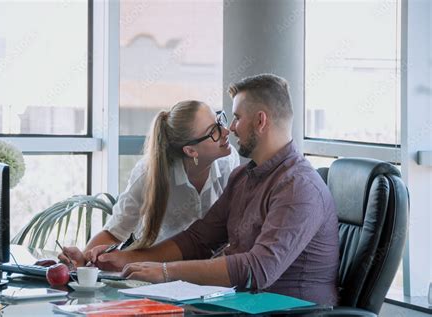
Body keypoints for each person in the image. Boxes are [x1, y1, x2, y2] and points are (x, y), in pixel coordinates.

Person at [86, 74, 340, 305]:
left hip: (289, 309)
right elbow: (198, 239)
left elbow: (257, 270)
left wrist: (166, 271)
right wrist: (128, 259)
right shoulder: (243, 177)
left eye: (238, 118)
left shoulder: (298, 187)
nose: (230, 128)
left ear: (261, 121)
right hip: (240, 303)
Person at [58, 100, 239, 267]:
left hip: (205, 270)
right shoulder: (148, 173)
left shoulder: (228, 163)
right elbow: (116, 231)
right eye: (214, 131)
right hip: (154, 267)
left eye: (219, 121)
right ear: (190, 150)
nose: (226, 131)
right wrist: (81, 261)